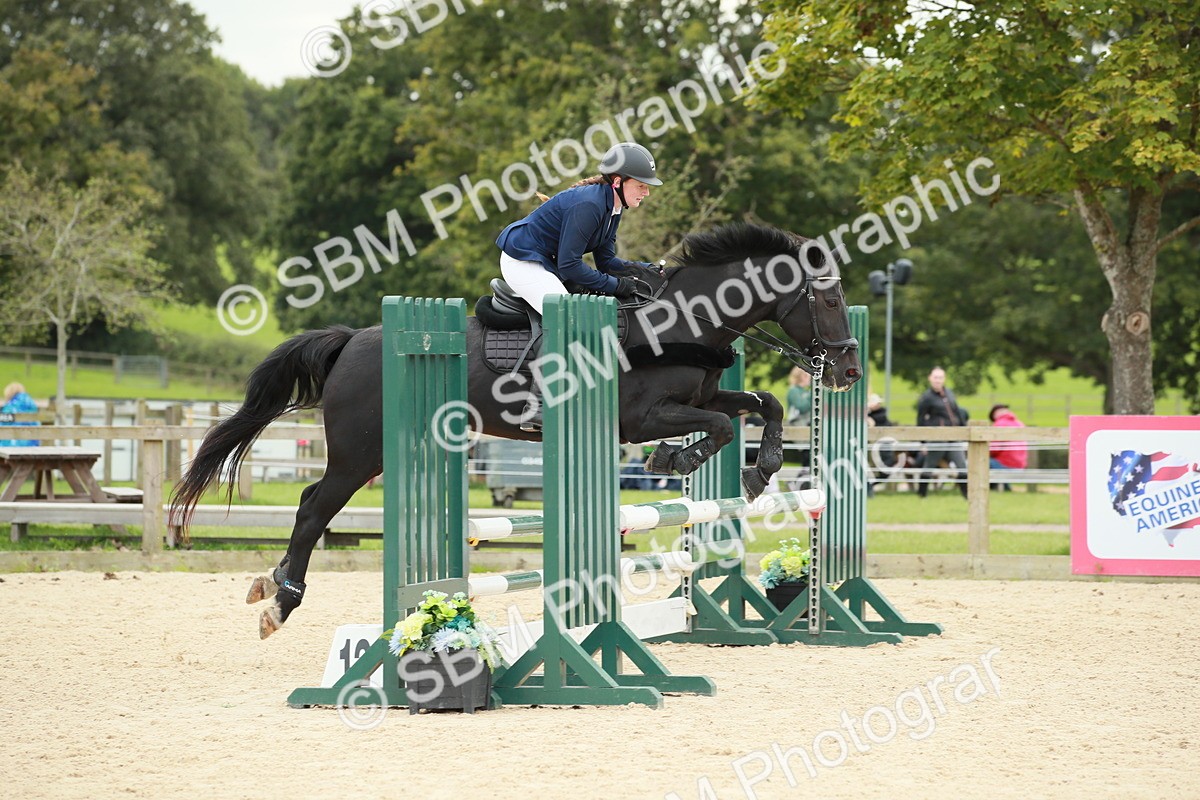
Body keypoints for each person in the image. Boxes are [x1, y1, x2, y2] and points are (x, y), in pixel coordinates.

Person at [495, 141, 663, 431]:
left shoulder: (613, 207)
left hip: (547, 261)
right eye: (642, 185)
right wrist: (616, 286)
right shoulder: (590, 204)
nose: (646, 192)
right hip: (523, 260)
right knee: (565, 317)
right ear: (619, 182)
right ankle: (537, 407)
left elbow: (607, 261)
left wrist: (647, 271)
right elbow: (570, 265)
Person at [915, 366, 968, 498]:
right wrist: (923, 442)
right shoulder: (927, 397)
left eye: (940, 377)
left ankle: (966, 495)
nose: (938, 380)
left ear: (944, 379)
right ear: (930, 378)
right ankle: (922, 495)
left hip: (954, 437)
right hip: (937, 438)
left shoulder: (949, 393)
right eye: (935, 377)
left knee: (962, 465)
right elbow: (920, 419)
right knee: (929, 466)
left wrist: (964, 431)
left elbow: (957, 412)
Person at [988, 403, 1028, 491]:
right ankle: (1004, 487)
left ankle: (993, 488)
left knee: (981, 461)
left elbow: (994, 449)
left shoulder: (999, 424)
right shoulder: (1019, 423)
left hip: (1005, 466)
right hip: (1020, 465)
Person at [0, 382, 41, 447]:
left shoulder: (10, 407)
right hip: (32, 444)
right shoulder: (31, 404)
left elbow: (3, 425)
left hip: (12, 444)